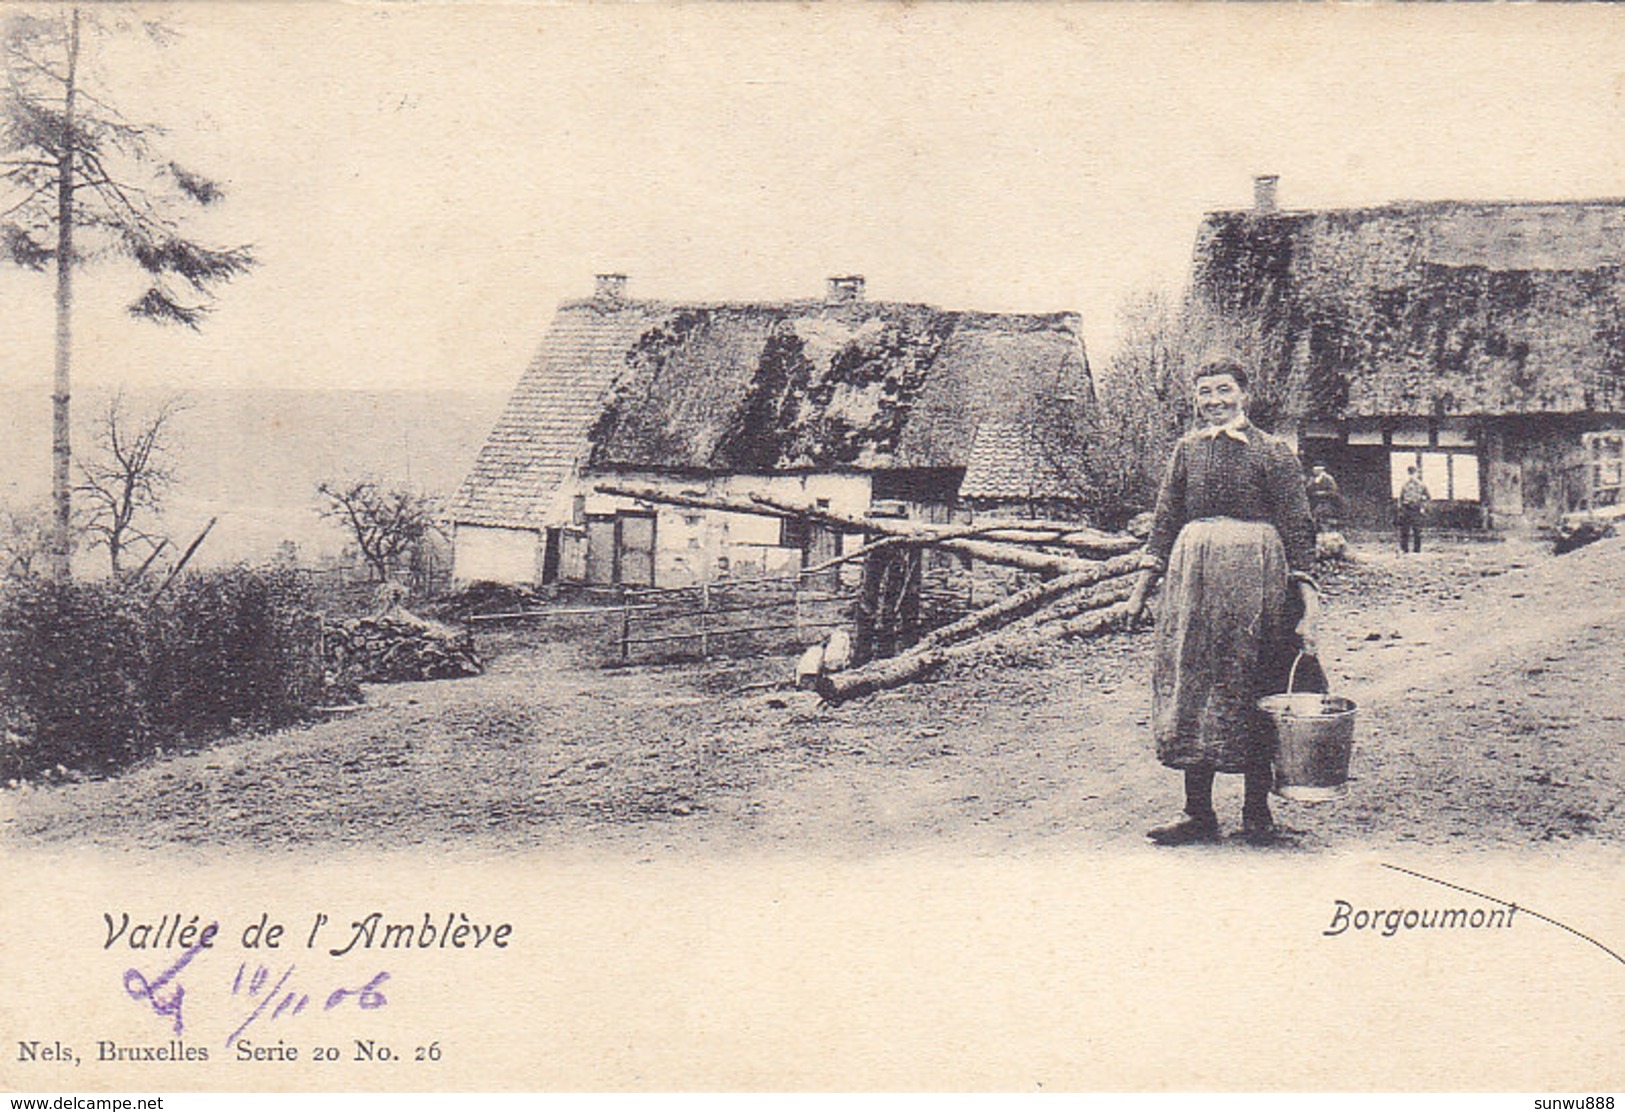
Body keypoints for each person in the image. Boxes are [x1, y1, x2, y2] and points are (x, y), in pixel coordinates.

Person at [1126, 360, 1321, 846]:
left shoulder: (1273, 453)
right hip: (1192, 585)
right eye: (1205, 393)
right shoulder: (1186, 451)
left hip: (1259, 585)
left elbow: (1298, 526)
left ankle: (1257, 812)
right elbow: (1165, 519)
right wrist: (1141, 588)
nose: (1214, 401)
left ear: (1245, 394)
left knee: (1256, 684)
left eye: (1224, 390)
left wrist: (1309, 604)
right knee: (1194, 688)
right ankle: (1198, 813)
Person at [1397, 465, 1430, 553]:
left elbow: (1427, 497)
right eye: (1410, 474)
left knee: (1417, 530)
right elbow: (1401, 498)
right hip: (1406, 508)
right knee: (1404, 530)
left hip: (1416, 508)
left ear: (1417, 474)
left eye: (1413, 473)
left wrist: (1423, 507)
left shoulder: (1422, 485)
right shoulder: (1405, 485)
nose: (1412, 476)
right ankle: (1404, 549)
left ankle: (1417, 550)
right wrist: (1400, 508)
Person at [1306, 464, 1341, 534]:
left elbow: (1334, 491)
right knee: (1315, 518)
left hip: (1326, 502)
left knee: (1324, 519)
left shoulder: (1328, 479)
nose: (1314, 471)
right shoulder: (1312, 479)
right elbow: (1308, 489)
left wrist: (1322, 493)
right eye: (1314, 469)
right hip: (1315, 502)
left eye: (1316, 469)